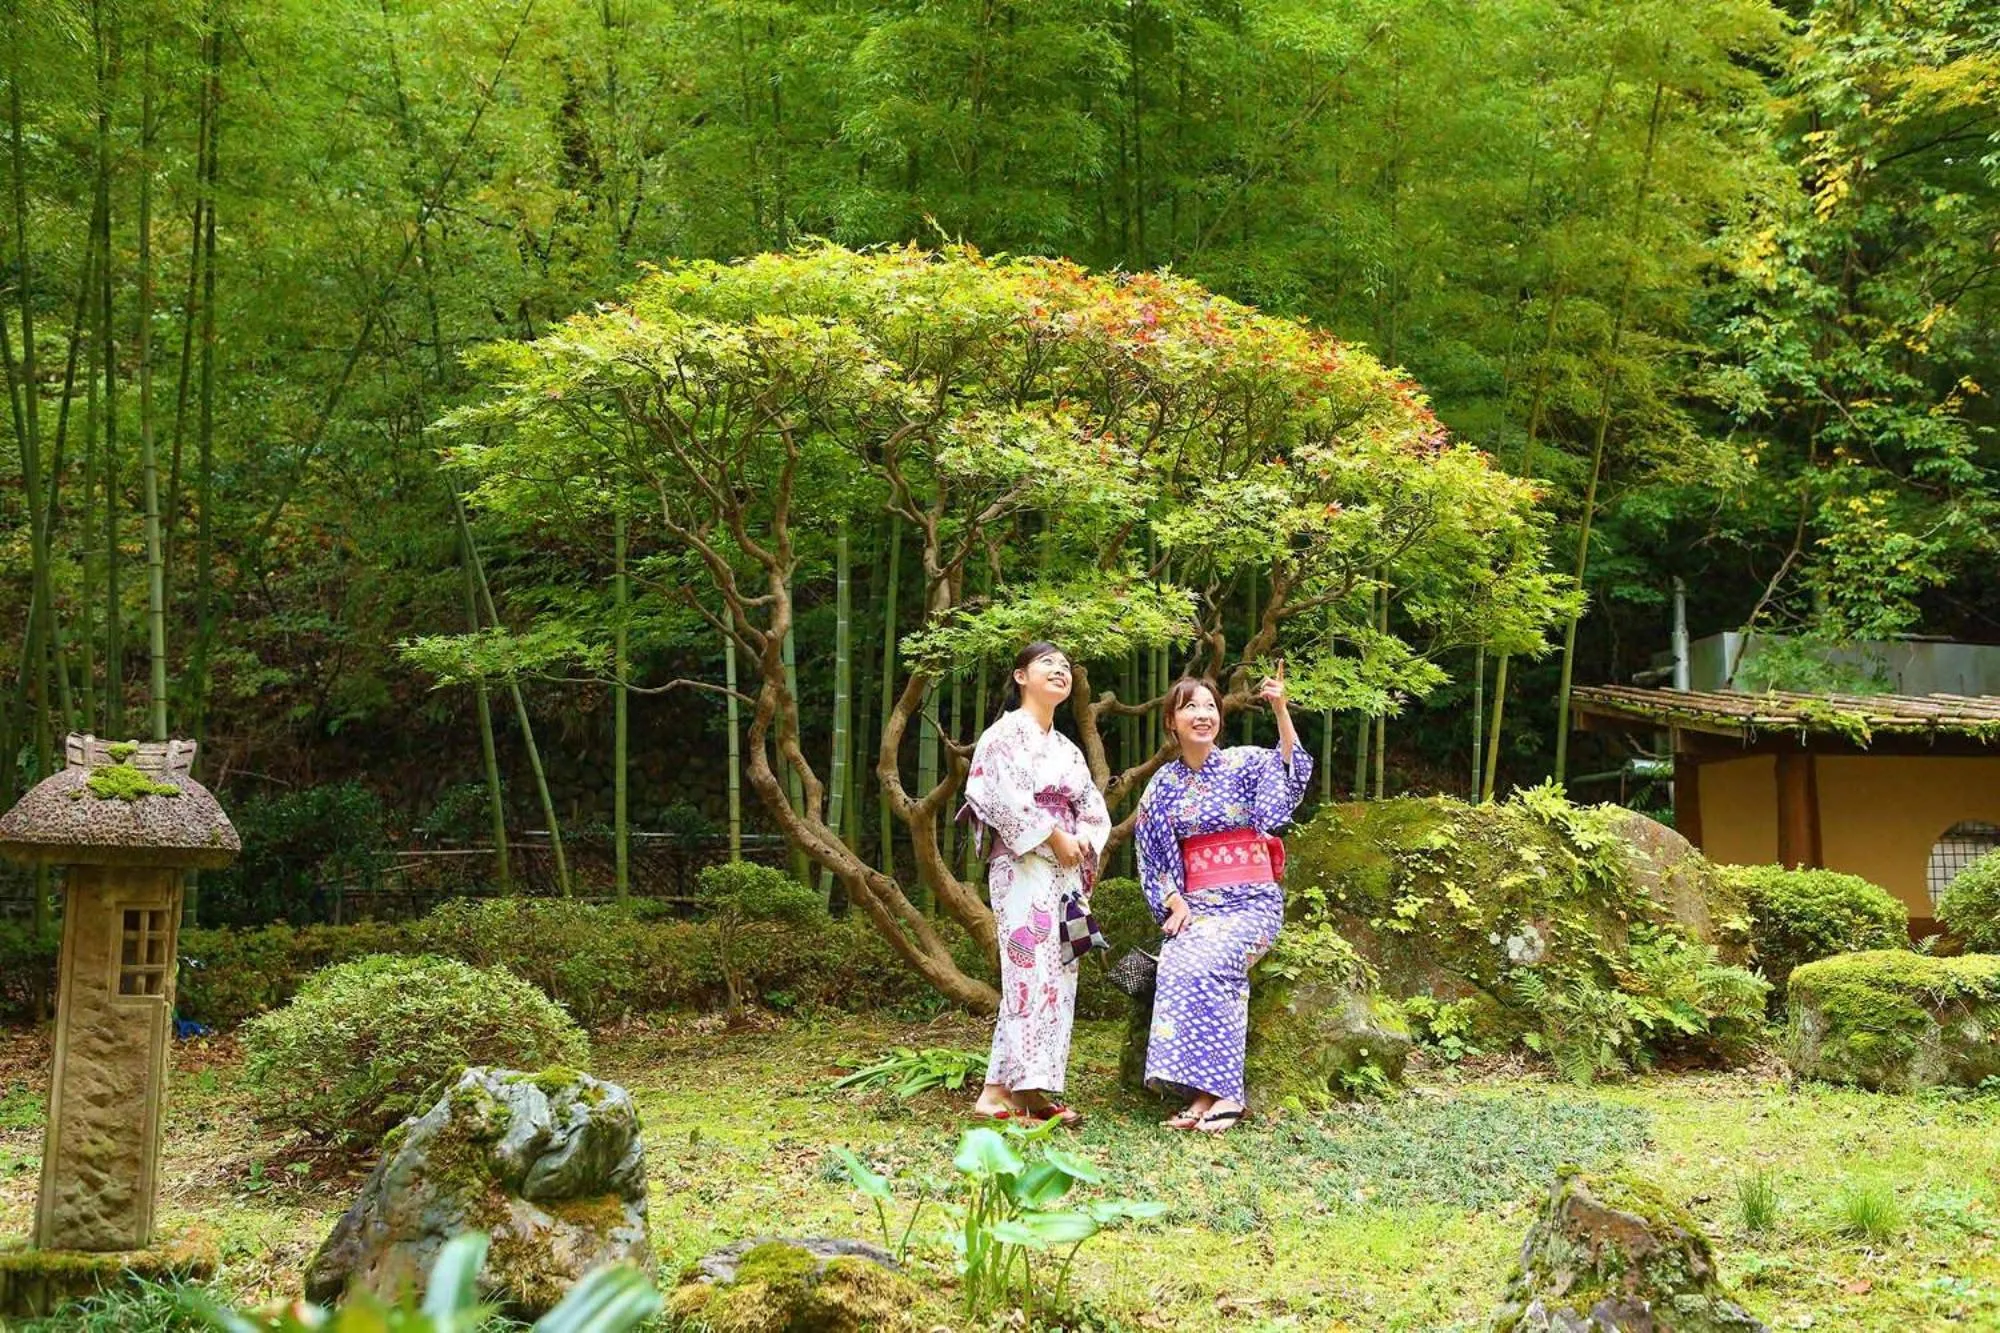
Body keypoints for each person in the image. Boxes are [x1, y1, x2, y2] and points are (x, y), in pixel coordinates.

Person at [1134, 665, 1311, 1133]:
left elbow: (1289, 775)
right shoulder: (1162, 786)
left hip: (1252, 902)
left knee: (1214, 962)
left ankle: (1227, 1093)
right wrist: (1173, 901)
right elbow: (1152, 856)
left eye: (1209, 706)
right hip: (1200, 905)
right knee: (1177, 963)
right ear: (1172, 721)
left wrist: (1280, 709)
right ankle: (1199, 1095)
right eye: (1190, 706)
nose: (1202, 714)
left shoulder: (1245, 763)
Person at [961, 641, 1111, 1127]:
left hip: (1066, 871)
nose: (1060, 671)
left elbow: (1092, 807)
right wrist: (1052, 835)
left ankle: (1012, 1092)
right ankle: (1019, 1091)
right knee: (1028, 973)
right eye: (1048, 664)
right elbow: (995, 794)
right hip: (1024, 865)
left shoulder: (1067, 749)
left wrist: (1081, 841)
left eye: (1066, 666)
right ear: (1021, 676)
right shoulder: (1002, 736)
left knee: (1058, 978)